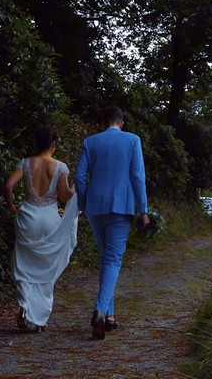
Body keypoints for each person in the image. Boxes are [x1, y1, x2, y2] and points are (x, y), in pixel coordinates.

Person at [75, 106, 149, 340]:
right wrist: (144, 210)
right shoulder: (132, 141)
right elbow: (137, 177)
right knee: (113, 260)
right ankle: (99, 311)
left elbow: (79, 178)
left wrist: (84, 203)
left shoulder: (90, 142)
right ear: (122, 123)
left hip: (95, 207)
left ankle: (109, 316)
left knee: (105, 258)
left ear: (103, 123)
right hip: (121, 206)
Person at [4, 125, 78, 332]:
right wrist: (75, 188)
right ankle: (38, 318)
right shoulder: (60, 167)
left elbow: (9, 185)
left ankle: (25, 308)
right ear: (53, 144)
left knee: (24, 265)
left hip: (27, 216)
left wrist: (11, 206)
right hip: (49, 219)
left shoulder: (26, 163)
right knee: (45, 268)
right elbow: (64, 197)